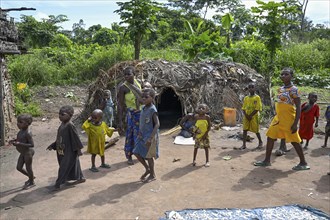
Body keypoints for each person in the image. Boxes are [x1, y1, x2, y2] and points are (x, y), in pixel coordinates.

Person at [254, 68, 309, 170]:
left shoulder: (294, 90)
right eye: (282, 74)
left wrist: (295, 123)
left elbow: (298, 107)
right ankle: (267, 161)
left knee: (294, 141)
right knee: (270, 136)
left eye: (286, 74)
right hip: (278, 118)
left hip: (289, 119)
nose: (283, 76)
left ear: (291, 76)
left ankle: (303, 163)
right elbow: (279, 104)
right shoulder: (280, 89)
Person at [47, 106, 85, 191]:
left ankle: (58, 184)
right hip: (62, 150)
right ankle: (81, 177)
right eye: (59, 114)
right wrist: (53, 145)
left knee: (64, 167)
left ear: (70, 115)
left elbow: (75, 138)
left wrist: (78, 150)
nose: (60, 116)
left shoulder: (70, 126)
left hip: (70, 151)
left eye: (62, 114)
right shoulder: (62, 125)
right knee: (74, 164)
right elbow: (60, 137)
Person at [133, 88, 160, 183]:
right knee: (136, 152)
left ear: (152, 98)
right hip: (142, 135)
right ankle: (147, 168)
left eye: (146, 97)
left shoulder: (152, 109)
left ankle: (152, 174)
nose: (143, 98)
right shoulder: (144, 108)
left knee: (149, 156)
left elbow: (157, 124)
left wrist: (150, 138)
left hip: (149, 136)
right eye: (142, 97)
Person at [117, 66, 143, 165]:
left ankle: (140, 154)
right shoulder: (123, 88)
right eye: (125, 74)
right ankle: (129, 156)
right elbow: (120, 105)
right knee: (130, 135)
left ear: (134, 75)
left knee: (140, 134)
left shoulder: (138, 83)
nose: (126, 76)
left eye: (129, 74)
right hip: (132, 115)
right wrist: (120, 121)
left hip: (141, 113)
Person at [9, 114, 35, 189]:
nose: (18, 124)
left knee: (28, 168)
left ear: (27, 123)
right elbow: (19, 140)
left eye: (20, 122)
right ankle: (31, 177)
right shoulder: (21, 131)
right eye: (18, 122)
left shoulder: (27, 133)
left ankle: (32, 182)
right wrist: (14, 141)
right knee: (19, 167)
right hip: (23, 153)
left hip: (28, 153)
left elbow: (31, 144)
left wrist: (19, 143)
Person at [234, 83, 263, 150]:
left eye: (252, 87)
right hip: (246, 116)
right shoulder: (246, 98)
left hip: (254, 116)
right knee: (245, 129)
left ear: (255, 88)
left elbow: (257, 108)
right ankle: (244, 145)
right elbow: (243, 108)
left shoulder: (257, 97)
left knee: (256, 130)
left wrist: (250, 116)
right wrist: (246, 115)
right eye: (249, 87)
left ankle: (260, 142)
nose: (250, 88)